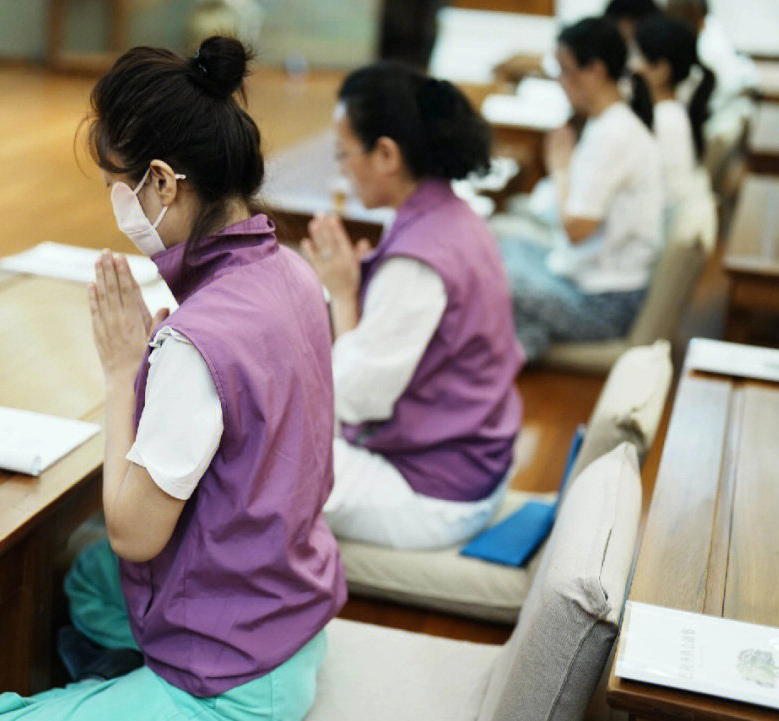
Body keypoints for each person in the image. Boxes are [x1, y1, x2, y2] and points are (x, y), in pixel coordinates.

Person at [0, 36, 345, 721]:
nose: (116, 198)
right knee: (87, 581)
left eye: (120, 181)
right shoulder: (293, 272)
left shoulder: (196, 341)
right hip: (291, 623)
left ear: (163, 183)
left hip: (235, 681)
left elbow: (135, 533)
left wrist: (122, 372)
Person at [302, 62, 523, 551]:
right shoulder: (452, 213)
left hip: (434, 492)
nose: (341, 168)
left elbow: (352, 397)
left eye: (343, 153)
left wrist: (342, 295)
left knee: (259, 465)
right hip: (474, 462)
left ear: (386, 154)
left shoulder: (418, 261)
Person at [497, 17, 664, 362]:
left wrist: (560, 168)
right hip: (590, 283)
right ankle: (516, 348)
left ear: (596, 71)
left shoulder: (614, 134)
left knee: (486, 268)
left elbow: (576, 229)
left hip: (603, 305)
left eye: (565, 70)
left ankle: (503, 356)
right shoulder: (609, 123)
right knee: (498, 246)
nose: (560, 82)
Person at [631, 14, 715, 203]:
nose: (632, 65)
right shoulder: (670, 112)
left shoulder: (665, 121)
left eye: (638, 55)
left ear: (661, 70)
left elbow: (667, 196)